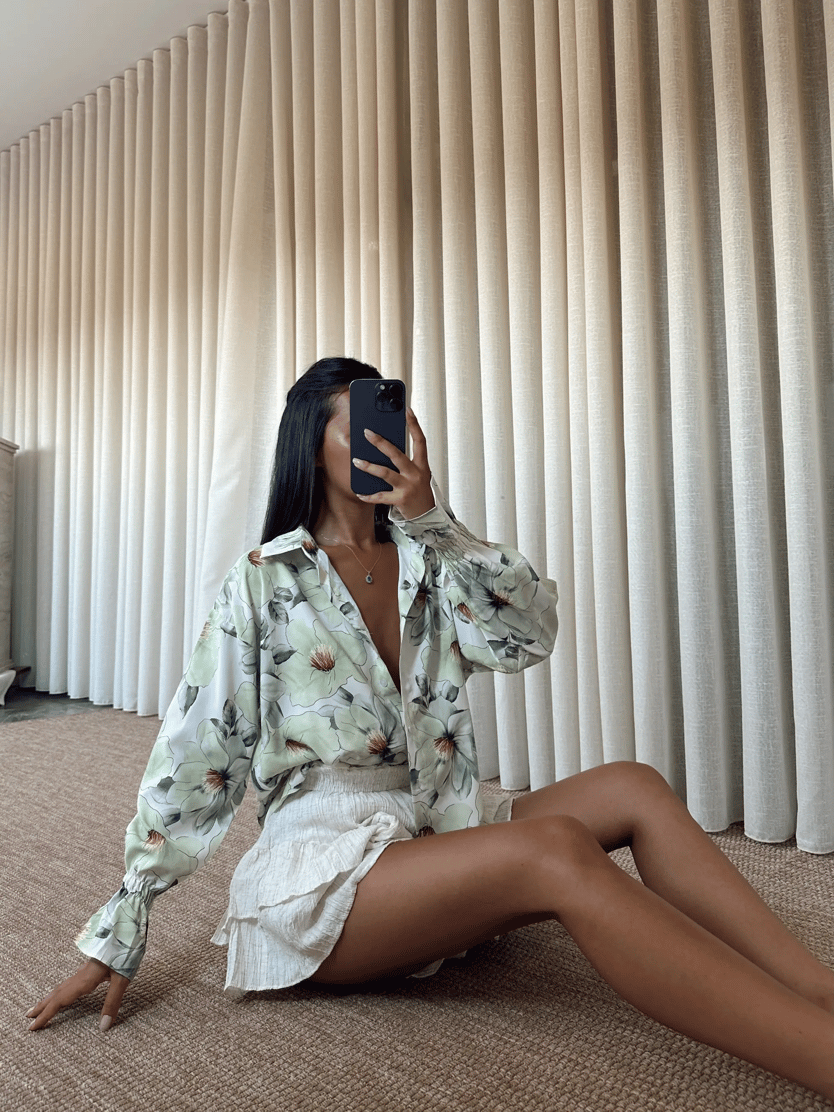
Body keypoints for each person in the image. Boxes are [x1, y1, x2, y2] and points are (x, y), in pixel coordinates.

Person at [26, 357, 834, 1102]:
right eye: (358, 427)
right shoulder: (264, 581)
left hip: (431, 820)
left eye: (390, 421)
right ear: (312, 446)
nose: (382, 441)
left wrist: (433, 520)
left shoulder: (429, 559)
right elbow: (200, 746)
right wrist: (123, 923)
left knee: (633, 786)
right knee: (553, 849)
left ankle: (815, 988)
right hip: (326, 867)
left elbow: (527, 637)